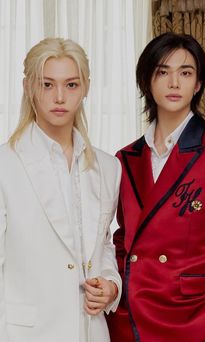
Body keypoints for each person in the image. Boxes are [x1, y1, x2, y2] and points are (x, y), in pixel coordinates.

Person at [106, 32, 205, 342]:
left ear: (199, 83)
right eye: (162, 72)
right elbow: (124, 240)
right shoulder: (125, 158)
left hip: (195, 320)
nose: (174, 83)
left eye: (185, 72)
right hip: (130, 319)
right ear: (146, 81)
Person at [0, 37, 122, 342]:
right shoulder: (5, 164)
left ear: (86, 88)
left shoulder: (108, 167)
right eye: (46, 84)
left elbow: (103, 244)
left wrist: (111, 284)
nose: (59, 97)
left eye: (71, 85)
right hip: (24, 334)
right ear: (28, 87)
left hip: (91, 330)